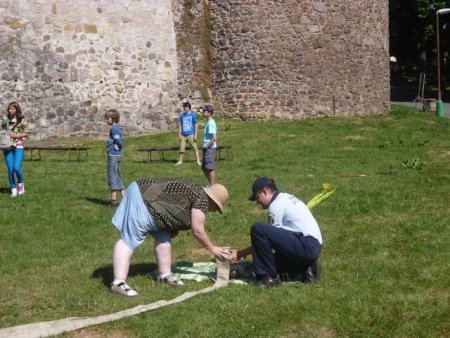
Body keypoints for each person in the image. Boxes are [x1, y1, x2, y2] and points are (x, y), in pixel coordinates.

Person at [110, 177, 230, 296]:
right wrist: (213, 248)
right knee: (129, 240)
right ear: (213, 201)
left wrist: (173, 227)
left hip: (149, 200)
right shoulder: (202, 199)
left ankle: (164, 274)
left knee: (164, 237)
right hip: (143, 198)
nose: (214, 211)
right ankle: (118, 282)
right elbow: (197, 230)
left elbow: (174, 204)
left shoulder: (197, 192)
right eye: (216, 207)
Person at [230, 177, 322, 288]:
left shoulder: (276, 205)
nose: (257, 202)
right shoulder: (287, 198)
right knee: (273, 266)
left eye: (256, 197)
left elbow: (267, 241)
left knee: (258, 229)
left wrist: (240, 253)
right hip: (311, 245)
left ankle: (267, 279)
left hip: (306, 244)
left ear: (264, 191)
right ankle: (306, 270)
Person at [1, 102, 29, 197]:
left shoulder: (22, 119)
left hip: (18, 146)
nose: (10, 110)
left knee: (17, 168)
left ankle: (21, 185)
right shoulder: (5, 119)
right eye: (9, 109)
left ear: (16, 109)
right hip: (7, 146)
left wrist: (16, 136)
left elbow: (26, 133)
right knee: (10, 169)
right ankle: (13, 189)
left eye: (12, 109)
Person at [105, 109, 125, 206]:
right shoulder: (116, 128)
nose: (106, 120)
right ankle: (125, 200)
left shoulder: (114, 129)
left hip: (113, 155)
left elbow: (118, 141)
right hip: (116, 155)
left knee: (112, 176)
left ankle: (113, 201)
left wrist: (119, 146)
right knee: (117, 176)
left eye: (107, 118)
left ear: (112, 119)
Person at [175, 102, 201, 166]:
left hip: (191, 134)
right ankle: (180, 161)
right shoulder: (182, 116)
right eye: (184, 107)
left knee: (195, 147)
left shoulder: (192, 115)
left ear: (189, 107)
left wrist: (195, 135)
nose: (184, 108)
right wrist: (179, 134)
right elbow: (181, 126)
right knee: (182, 148)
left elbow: (195, 125)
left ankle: (198, 161)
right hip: (183, 134)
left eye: (186, 107)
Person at [201, 104, 217, 186]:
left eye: (205, 111)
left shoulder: (211, 123)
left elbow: (214, 138)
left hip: (210, 148)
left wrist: (207, 146)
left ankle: (213, 186)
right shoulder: (207, 122)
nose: (203, 112)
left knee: (210, 168)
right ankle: (211, 183)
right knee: (204, 168)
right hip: (206, 148)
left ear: (209, 113)